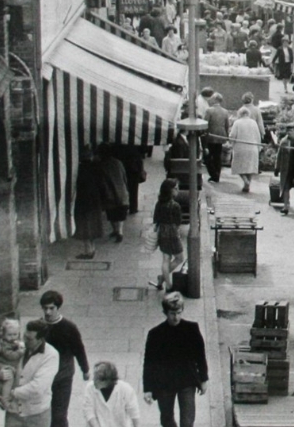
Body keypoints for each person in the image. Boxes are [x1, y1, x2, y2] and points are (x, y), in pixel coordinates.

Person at [142, 292, 208, 427]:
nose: (176, 317)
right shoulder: (155, 334)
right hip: (164, 382)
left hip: (187, 380)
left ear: (182, 310)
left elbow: (200, 356)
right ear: (165, 312)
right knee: (166, 419)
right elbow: (149, 363)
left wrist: (203, 379)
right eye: (172, 313)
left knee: (188, 420)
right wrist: (147, 388)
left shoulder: (192, 329)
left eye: (178, 312)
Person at [40, 291, 90, 427]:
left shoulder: (69, 328)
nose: (48, 312)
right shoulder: (38, 327)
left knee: (59, 415)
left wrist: (85, 369)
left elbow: (78, 349)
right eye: (45, 308)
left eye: (51, 308)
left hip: (63, 376)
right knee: (44, 412)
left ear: (58, 308)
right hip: (43, 377)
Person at [2, 319, 60, 427]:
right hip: (13, 412)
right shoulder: (19, 347)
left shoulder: (51, 355)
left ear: (40, 339)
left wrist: (11, 393)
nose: (25, 340)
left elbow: (37, 388)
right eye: (24, 336)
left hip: (36, 415)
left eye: (29, 339)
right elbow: (5, 364)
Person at [83, 361, 140, 427]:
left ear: (108, 381)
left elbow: (134, 413)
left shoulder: (126, 389)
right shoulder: (90, 388)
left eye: (97, 379)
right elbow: (88, 412)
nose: (94, 381)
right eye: (94, 377)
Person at [151, 179, 185, 291]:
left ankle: (165, 282)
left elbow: (155, 219)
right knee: (179, 258)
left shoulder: (159, 203)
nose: (178, 190)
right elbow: (178, 223)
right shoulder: (175, 206)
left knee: (166, 258)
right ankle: (165, 281)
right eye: (175, 188)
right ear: (169, 190)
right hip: (173, 234)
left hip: (162, 232)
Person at [73, 147, 105, 260]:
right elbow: (102, 184)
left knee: (84, 226)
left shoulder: (78, 169)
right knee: (93, 224)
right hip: (95, 200)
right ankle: (92, 248)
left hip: (83, 200)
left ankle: (88, 251)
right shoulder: (97, 167)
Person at [97, 144, 130, 243]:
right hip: (122, 191)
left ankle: (115, 231)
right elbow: (124, 177)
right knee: (121, 213)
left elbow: (101, 181)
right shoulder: (118, 162)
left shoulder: (101, 165)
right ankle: (119, 231)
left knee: (111, 213)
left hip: (109, 194)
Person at [228, 108, 261, 193]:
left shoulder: (237, 122)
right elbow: (258, 135)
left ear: (239, 114)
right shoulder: (253, 123)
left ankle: (246, 182)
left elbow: (232, 135)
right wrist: (258, 146)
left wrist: (230, 141)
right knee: (250, 166)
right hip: (252, 147)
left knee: (239, 165)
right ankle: (247, 185)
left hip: (240, 148)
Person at [0, 318, 25, 411]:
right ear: (3, 334)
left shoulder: (14, 342)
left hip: (11, 365)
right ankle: (5, 398)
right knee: (9, 377)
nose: (12, 337)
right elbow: (10, 356)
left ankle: (6, 396)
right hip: (4, 365)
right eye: (9, 335)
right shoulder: (4, 344)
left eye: (15, 334)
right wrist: (20, 352)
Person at [203, 94, 229, 183]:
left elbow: (205, 123)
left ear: (215, 99)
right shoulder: (225, 111)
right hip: (221, 135)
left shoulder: (209, 110)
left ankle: (214, 174)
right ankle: (217, 175)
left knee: (207, 157)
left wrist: (204, 135)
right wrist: (226, 136)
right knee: (217, 156)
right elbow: (227, 125)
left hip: (210, 135)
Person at [274, 124, 294, 213]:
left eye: (291, 131)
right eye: (287, 131)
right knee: (285, 187)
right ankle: (286, 206)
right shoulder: (284, 141)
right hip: (286, 169)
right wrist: (277, 167)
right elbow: (279, 155)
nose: (289, 132)